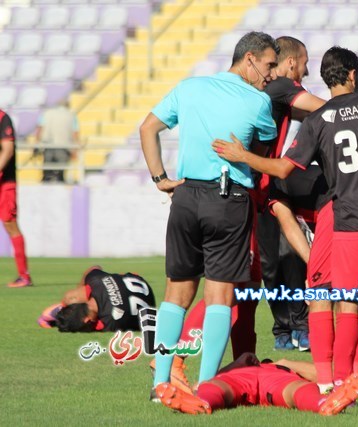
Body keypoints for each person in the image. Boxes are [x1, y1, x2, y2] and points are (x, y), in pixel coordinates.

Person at [213, 46, 358, 410]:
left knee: (347, 303)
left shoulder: (318, 120)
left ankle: (337, 384)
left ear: (327, 79)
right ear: (353, 74)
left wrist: (243, 156)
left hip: (348, 225)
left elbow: (283, 170)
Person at [139, 31, 279, 408]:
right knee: (220, 295)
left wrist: (160, 179)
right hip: (228, 199)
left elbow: (147, 127)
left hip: (184, 197)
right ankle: (206, 387)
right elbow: (263, 147)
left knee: (176, 294)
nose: (272, 74)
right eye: (268, 65)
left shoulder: (190, 87)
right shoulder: (258, 100)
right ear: (249, 59)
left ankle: (161, 383)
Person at [257, 36, 325, 351]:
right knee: (271, 263)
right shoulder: (282, 86)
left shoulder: (275, 93)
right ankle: (283, 327)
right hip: (259, 181)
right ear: (292, 62)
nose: (307, 69)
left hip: (270, 181)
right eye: (306, 62)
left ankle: (298, 326)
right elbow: (324, 110)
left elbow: (312, 116)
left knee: (284, 256)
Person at [154, 352, 358, 416]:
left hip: (276, 377)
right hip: (238, 377)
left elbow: (320, 374)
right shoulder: (234, 369)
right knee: (217, 387)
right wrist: (240, 361)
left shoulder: (281, 365)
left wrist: (283, 362)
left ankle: (324, 403)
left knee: (296, 390)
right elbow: (207, 380)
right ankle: (201, 402)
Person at [38, 266, 156, 332]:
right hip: (139, 281)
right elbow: (94, 268)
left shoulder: (110, 322)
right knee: (77, 294)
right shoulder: (96, 282)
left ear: (87, 320)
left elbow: (96, 326)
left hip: (149, 303)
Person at [0, 109, 32, 288]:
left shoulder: (2, 118)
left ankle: (24, 276)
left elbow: (7, 150)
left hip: (4, 182)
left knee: (9, 223)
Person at [35, 101, 79, 183]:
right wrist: (75, 149)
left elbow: (39, 128)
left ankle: (46, 186)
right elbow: (75, 133)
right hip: (63, 147)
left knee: (47, 172)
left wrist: (37, 144)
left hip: (48, 146)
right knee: (60, 173)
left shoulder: (46, 113)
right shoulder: (71, 115)